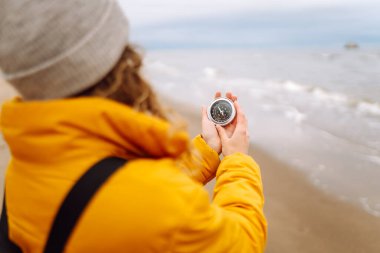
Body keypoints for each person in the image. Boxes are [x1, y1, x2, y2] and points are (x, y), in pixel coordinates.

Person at [0, 0, 267, 252]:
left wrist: (208, 149)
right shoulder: (157, 201)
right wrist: (237, 160)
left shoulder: (26, 165)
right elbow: (240, 242)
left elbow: (121, 195)